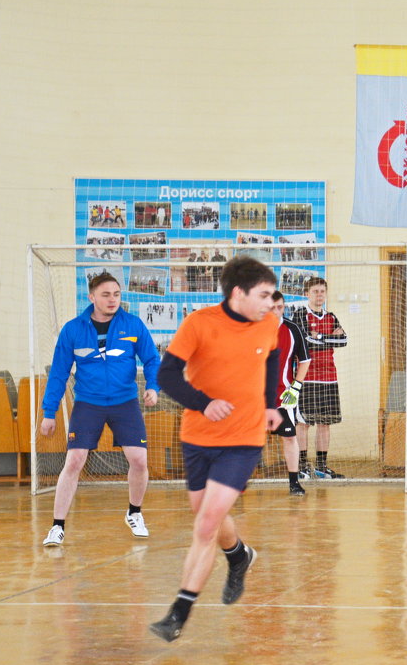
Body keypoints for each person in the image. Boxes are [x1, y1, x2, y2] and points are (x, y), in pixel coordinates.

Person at [148, 255, 282, 642]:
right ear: (238, 293)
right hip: (198, 436)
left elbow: (272, 357)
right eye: (263, 295)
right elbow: (167, 375)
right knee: (206, 515)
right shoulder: (199, 324)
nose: (270, 303)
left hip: (244, 438)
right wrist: (203, 403)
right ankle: (239, 555)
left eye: (271, 296)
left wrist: (271, 403)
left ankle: (178, 613)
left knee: (205, 524)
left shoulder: (268, 324)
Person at [38, 273, 161, 546]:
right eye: (105, 295)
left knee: (139, 460)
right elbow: (58, 374)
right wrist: (49, 413)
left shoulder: (133, 324)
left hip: (125, 402)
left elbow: (152, 359)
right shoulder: (73, 329)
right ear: (91, 297)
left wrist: (153, 386)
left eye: (116, 294)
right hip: (88, 403)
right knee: (74, 461)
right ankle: (57, 526)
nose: (112, 300)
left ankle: (134, 513)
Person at [291, 277, 348, 479]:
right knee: (303, 423)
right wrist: (329, 337)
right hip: (306, 377)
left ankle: (321, 467)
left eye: (322, 291)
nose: (319, 295)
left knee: (325, 423)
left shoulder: (331, 316)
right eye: (315, 291)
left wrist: (320, 337)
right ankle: (302, 466)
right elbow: (305, 339)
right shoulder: (299, 314)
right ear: (307, 294)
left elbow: (344, 340)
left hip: (329, 378)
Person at [269, 290, 311, 496]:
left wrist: (296, 387)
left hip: (283, 395)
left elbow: (305, 360)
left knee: (289, 437)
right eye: (272, 307)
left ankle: (294, 482)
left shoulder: (293, 329)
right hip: (254, 396)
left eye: (280, 307)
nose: (277, 311)